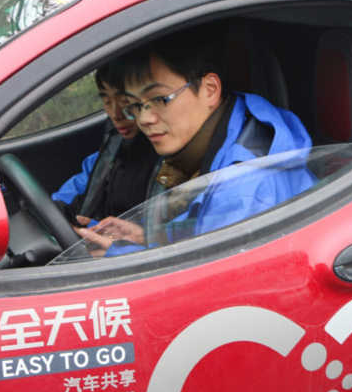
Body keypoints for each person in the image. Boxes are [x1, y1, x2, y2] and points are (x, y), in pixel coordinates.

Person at [77, 26, 316, 255]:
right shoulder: (215, 136)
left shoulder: (242, 190)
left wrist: (120, 255)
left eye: (159, 99)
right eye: (136, 105)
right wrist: (150, 238)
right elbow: (204, 229)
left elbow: (211, 284)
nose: (144, 119)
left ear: (210, 89)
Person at [51, 64, 160, 227]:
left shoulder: (165, 158)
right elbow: (72, 192)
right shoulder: (113, 146)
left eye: (126, 101)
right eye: (107, 101)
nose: (116, 114)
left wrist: (92, 229)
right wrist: (58, 214)